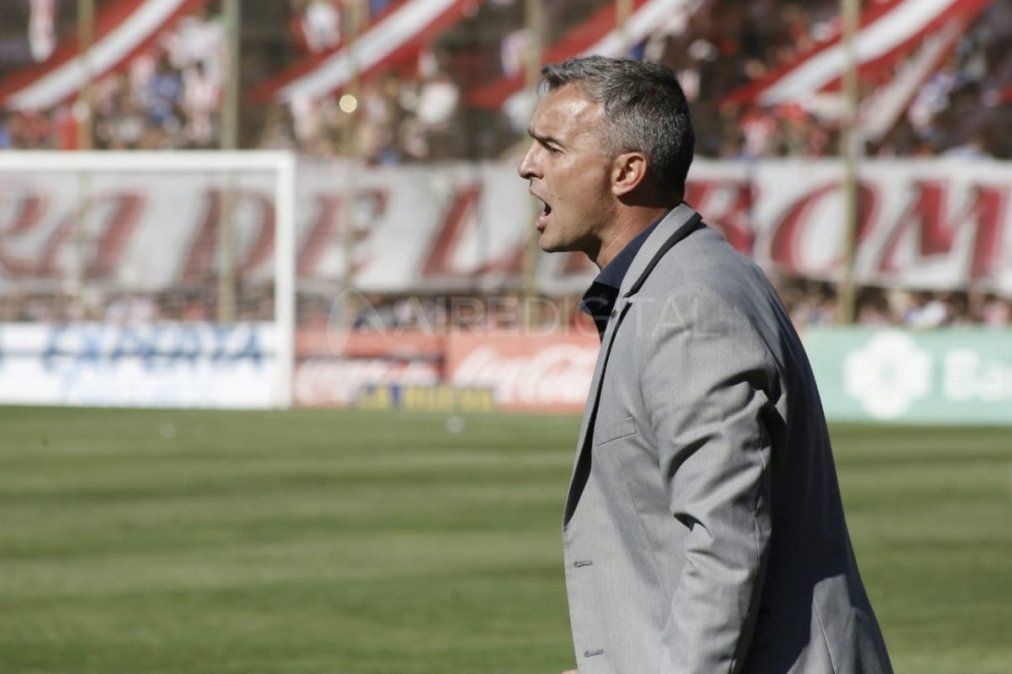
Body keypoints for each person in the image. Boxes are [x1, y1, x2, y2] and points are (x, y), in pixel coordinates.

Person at [517, 56, 892, 674]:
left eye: (550, 147)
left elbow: (726, 541)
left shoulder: (688, 305)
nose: (527, 166)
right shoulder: (675, 282)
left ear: (627, 172)